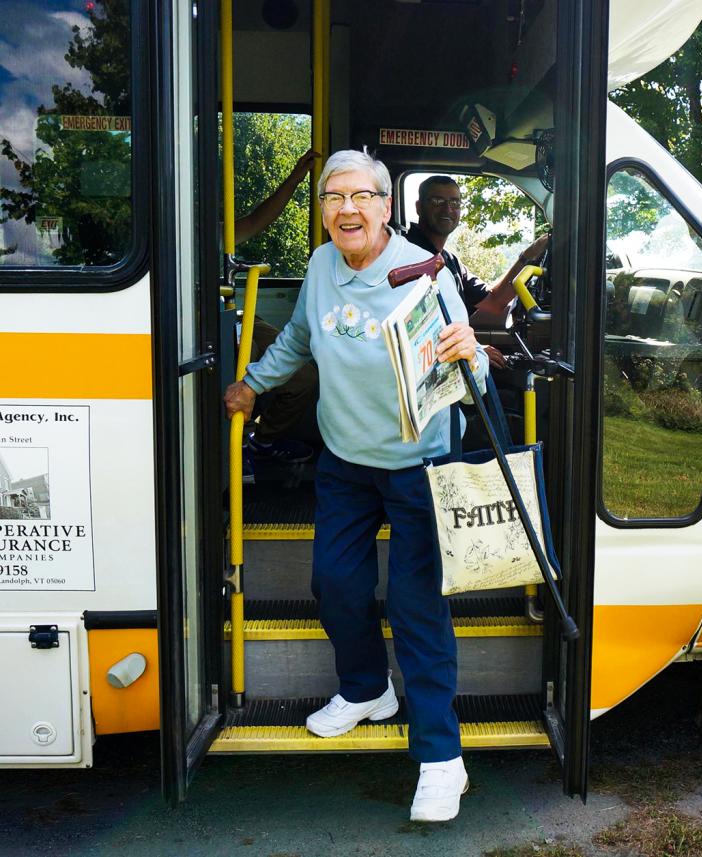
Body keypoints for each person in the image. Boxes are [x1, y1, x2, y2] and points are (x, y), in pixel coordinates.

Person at [223, 149, 488, 823]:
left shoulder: (423, 275)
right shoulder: (319, 266)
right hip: (344, 459)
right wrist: (253, 382)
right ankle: (368, 688)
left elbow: (475, 375)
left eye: (360, 196)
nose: (346, 209)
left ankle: (441, 758)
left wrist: (469, 352)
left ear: (385, 206)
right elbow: (301, 342)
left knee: (416, 603)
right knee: (334, 583)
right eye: (333, 198)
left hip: (418, 463)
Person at [404, 175, 550, 366]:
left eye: (454, 202)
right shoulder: (408, 256)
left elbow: (494, 301)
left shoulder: (449, 260)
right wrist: (476, 349)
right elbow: (417, 330)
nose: (447, 209)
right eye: (437, 201)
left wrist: (529, 253)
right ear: (418, 207)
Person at [235, 148, 322, 464]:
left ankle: (263, 440)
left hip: (236, 315)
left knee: (304, 378)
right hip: (202, 323)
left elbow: (258, 219)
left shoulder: (209, 233)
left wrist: (296, 177)